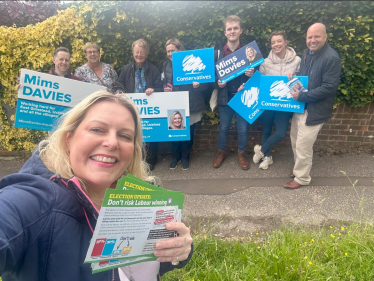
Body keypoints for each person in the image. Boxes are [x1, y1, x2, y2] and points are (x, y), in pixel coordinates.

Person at [0, 91, 193, 280]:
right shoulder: (37, 199)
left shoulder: (142, 201)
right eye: (97, 129)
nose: (111, 143)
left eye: (125, 136)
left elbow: (146, 263)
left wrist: (180, 249)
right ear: (69, 139)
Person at [283, 23, 341, 189]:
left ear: (325, 37)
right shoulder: (308, 53)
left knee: (303, 145)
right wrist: (296, 75)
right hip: (301, 106)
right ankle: (298, 169)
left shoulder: (331, 57)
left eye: (317, 36)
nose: (312, 40)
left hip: (315, 109)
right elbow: (306, 75)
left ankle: (302, 178)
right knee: (295, 139)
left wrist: (302, 96)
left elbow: (329, 88)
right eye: (310, 37)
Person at [252, 31, 301, 169]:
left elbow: (301, 80)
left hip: (285, 105)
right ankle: (267, 158)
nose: (276, 44)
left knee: (280, 133)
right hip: (268, 104)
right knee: (266, 131)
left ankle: (260, 151)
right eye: (273, 42)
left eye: (279, 41)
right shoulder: (265, 62)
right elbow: (259, 82)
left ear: (286, 42)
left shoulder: (297, 61)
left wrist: (296, 75)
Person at [212, 15, 256, 170]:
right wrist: (218, 83)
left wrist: (252, 73)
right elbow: (211, 75)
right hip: (225, 96)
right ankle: (220, 152)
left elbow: (258, 74)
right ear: (225, 32)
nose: (232, 31)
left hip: (243, 96)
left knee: (243, 128)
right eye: (229, 29)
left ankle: (242, 154)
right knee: (224, 127)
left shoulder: (249, 51)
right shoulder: (218, 53)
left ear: (241, 30)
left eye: (235, 28)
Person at [161, 38, 208, 170]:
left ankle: (185, 157)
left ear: (180, 49)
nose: (170, 53)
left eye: (172, 50)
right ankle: (175, 157)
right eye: (168, 51)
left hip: (191, 102)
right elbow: (163, 81)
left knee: (189, 132)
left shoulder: (192, 61)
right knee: (174, 131)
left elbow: (206, 83)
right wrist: (165, 87)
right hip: (174, 103)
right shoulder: (165, 65)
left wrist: (198, 85)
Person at [118, 39, 163, 171]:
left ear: (146, 54)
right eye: (137, 52)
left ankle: (151, 160)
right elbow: (119, 85)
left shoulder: (154, 69)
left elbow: (160, 87)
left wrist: (154, 90)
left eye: (142, 53)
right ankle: (134, 161)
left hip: (149, 107)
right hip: (132, 107)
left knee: (151, 135)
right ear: (133, 52)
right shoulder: (126, 69)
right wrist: (119, 92)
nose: (139, 55)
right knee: (133, 133)